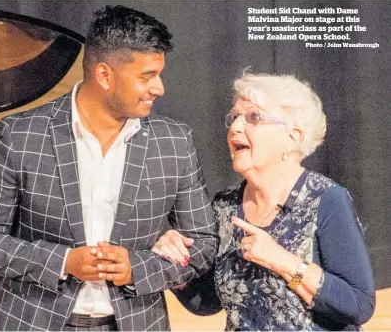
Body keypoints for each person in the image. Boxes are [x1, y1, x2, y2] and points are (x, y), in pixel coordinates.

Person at [0, 5, 218, 331]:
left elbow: (204, 244)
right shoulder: (21, 136)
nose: (159, 88)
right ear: (105, 75)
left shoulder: (175, 143)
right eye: (147, 76)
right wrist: (63, 262)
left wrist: (136, 268)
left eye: (158, 74)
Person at [152, 72, 376, 330]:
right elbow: (208, 302)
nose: (236, 127)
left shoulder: (326, 199)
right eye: (234, 117)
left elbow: (358, 304)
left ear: (293, 136)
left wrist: (281, 260)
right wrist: (177, 266)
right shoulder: (225, 205)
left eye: (253, 118)